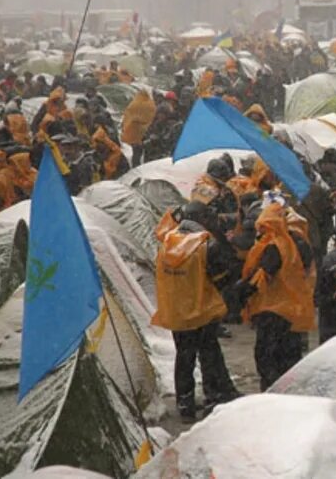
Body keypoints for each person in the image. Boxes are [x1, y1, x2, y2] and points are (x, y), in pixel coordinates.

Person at [151, 203, 240, 420]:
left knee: (184, 357)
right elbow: (222, 277)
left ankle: (185, 404)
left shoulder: (167, 242)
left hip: (176, 311)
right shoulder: (206, 244)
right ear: (201, 218)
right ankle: (214, 396)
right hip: (201, 310)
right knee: (208, 353)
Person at [237, 194, 315, 391]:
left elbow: (262, 277)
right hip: (292, 307)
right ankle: (289, 390)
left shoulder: (275, 246)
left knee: (267, 356)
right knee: (290, 355)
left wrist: (241, 291)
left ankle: (272, 392)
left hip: (272, 308)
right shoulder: (297, 243)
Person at [121, 89, 157, 167]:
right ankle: (144, 166)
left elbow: (127, 115)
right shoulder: (151, 104)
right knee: (144, 150)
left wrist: (125, 126)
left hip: (133, 130)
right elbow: (153, 116)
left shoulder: (134, 104)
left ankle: (136, 165)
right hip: (145, 130)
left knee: (135, 150)